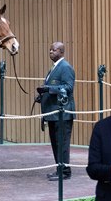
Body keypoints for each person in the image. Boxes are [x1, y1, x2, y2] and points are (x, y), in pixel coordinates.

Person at [36, 41, 76, 181]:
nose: (51, 52)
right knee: (55, 143)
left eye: (54, 50)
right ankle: (59, 170)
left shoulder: (65, 68)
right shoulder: (54, 68)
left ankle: (65, 172)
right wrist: (43, 94)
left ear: (61, 52)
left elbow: (68, 87)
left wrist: (49, 90)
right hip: (53, 114)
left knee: (62, 143)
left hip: (62, 113)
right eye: (50, 49)